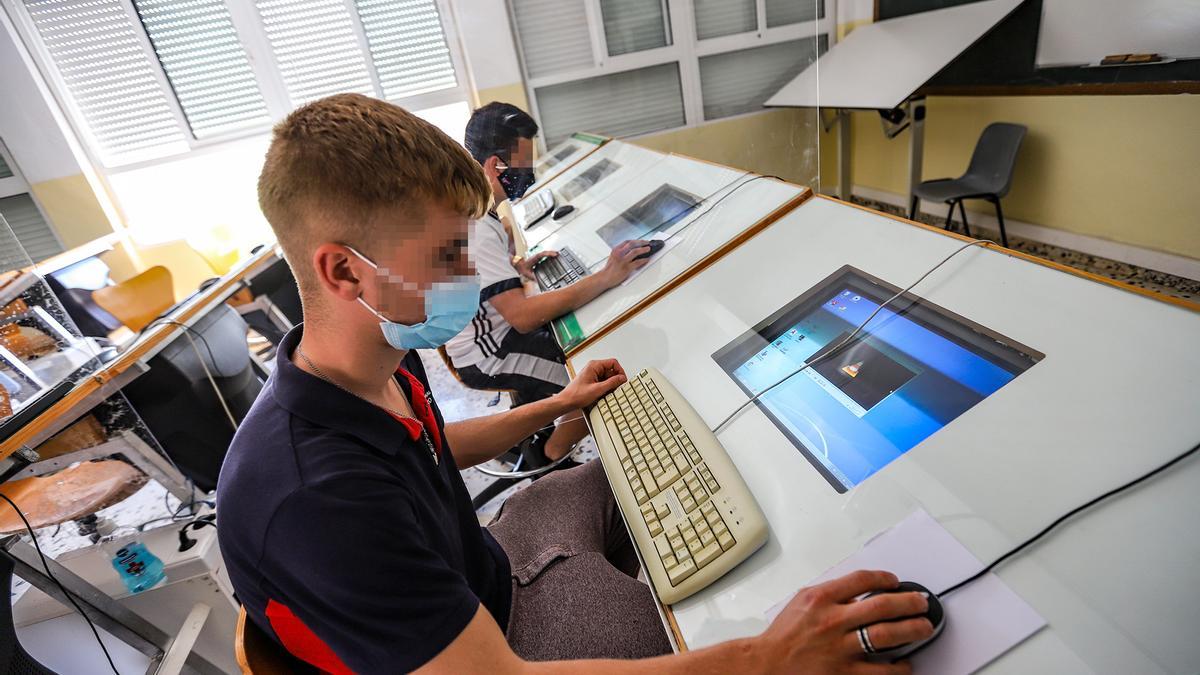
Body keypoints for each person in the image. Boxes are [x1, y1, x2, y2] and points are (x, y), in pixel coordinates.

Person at [217, 93, 932, 674]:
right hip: (504, 640)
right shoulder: (317, 498)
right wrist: (765, 658)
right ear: (345, 271)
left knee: (676, 453)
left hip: (487, 563)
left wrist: (563, 405)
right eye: (445, 254)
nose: (471, 274)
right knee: (724, 639)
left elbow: (431, 446)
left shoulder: (368, 359)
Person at [445, 102, 653, 460]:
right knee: (594, 385)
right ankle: (551, 455)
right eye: (525, 164)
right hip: (489, 354)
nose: (531, 174)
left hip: (493, 333)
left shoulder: (476, 209)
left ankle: (537, 429)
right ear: (496, 165)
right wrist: (607, 276)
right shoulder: (476, 223)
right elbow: (523, 317)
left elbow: (481, 278)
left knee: (581, 351)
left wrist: (515, 268)